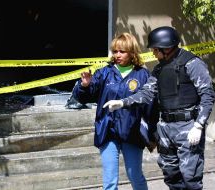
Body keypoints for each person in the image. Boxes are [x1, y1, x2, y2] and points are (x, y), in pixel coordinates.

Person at [103, 26, 215, 190]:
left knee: (190, 177)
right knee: (171, 175)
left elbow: (208, 95)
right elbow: (146, 93)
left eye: (155, 50)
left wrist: (199, 125)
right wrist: (123, 102)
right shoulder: (159, 69)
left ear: (166, 48)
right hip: (166, 129)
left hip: (188, 126)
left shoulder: (192, 64)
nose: (153, 53)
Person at [72, 32, 157, 190]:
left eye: (122, 51)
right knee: (110, 180)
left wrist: (152, 134)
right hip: (107, 130)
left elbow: (150, 106)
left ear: (132, 52)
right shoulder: (104, 73)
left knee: (135, 175)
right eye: (115, 51)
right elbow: (83, 98)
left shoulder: (143, 74)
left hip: (132, 132)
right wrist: (84, 86)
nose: (117, 55)